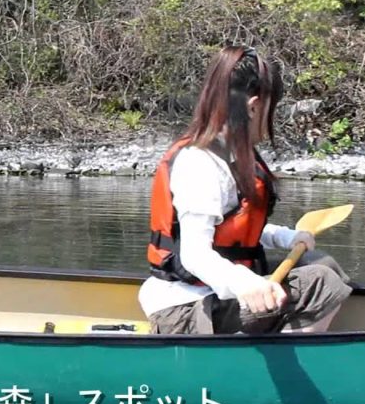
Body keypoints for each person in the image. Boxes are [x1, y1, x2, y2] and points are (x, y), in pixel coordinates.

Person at [140, 45, 352, 334]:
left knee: (322, 263)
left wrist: (285, 236)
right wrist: (244, 282)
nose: (271, 119)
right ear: (253, 106)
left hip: (212, 298)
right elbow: (194, 255)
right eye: (271, 108)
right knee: (321, 283)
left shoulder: (231, 156)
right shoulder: (199, 164)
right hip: (184, 311)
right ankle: (285, 370)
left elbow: (233, 232)